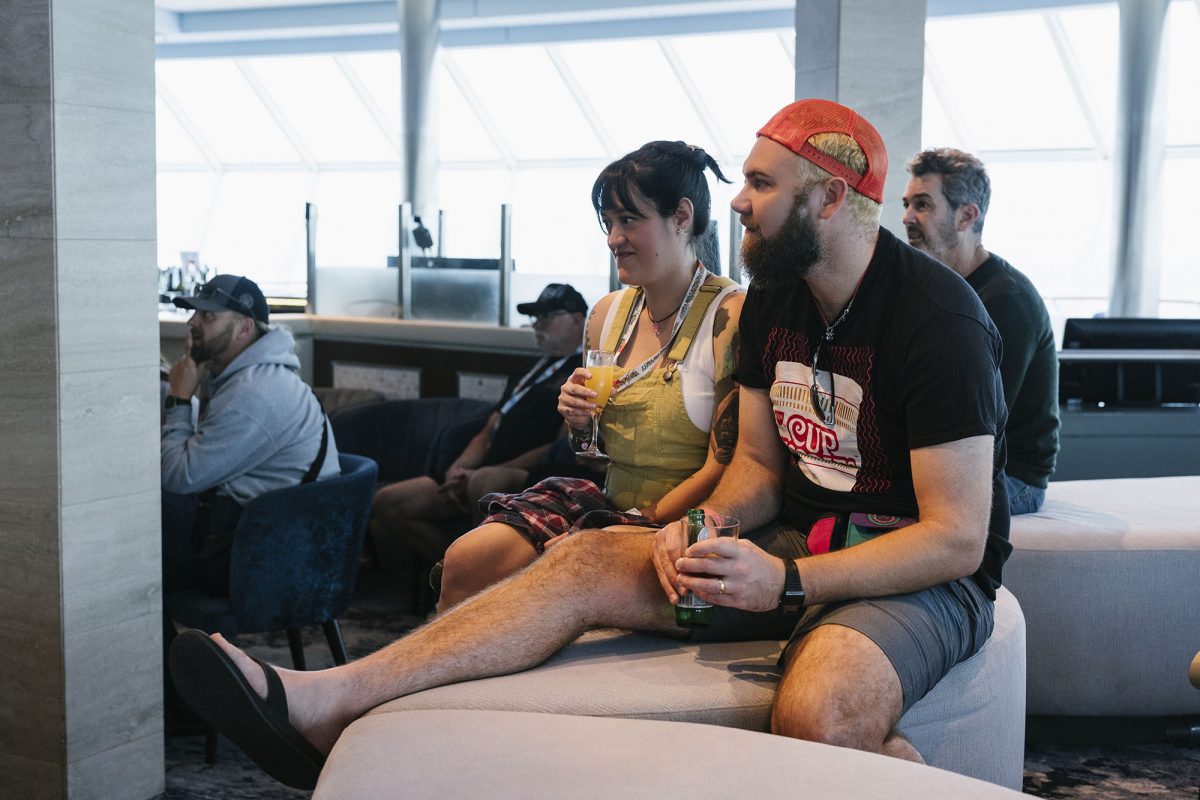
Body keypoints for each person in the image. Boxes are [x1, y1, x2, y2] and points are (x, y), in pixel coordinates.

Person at [169, 100, 1009, 791]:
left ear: (828, 198)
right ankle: (328, 700)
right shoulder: (776, 299)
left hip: (910, 568)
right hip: (793, 538)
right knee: (582, 558)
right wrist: (707, 524)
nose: (738, 202)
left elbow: (955, 537)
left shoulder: (938, 320)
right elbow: (756, 465)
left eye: (760, 183)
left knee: (819, 717)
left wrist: (788, 581)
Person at [437, 140, 744, 609]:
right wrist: (580, 424)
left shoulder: (730, 316)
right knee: (467, 558)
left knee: (559, 569)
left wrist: (637, 522)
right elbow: (591, 458)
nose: (614, 238)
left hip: (682, 523)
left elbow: (728, 466)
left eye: (630, 220)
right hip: (610, 504)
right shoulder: (606, 315)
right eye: (608, 223)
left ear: (681, 216)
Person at [369, 283, 591, 563]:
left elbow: (561, 444)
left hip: (526, 472)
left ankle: (477, 575)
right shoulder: (529, 369)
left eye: (545, 316)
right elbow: (489, 428)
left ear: (576, 320)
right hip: (482, 468)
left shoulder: (580, 374)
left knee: (485, 481)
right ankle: (451, 571)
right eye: (534, 317)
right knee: (390, 502)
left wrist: (486, 471)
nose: (536, 324)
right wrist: (458, 470)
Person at [902, 147, 1059, 514]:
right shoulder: (936, 290)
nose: (907, 217)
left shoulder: (1006, 300)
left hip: (1011, 478)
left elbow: (980, 423)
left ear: (966, 216)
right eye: (907, 204)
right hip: (962, 462)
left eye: (922, 205)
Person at [162, 273, 340, 597]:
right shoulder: (251, 377)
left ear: (244, 328)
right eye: (194, 313)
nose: (191, 323)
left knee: (134, 522)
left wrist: (179, 399)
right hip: (268, 536)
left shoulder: (253, 393)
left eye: (208, 316)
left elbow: (177, 476)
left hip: (258, 557)